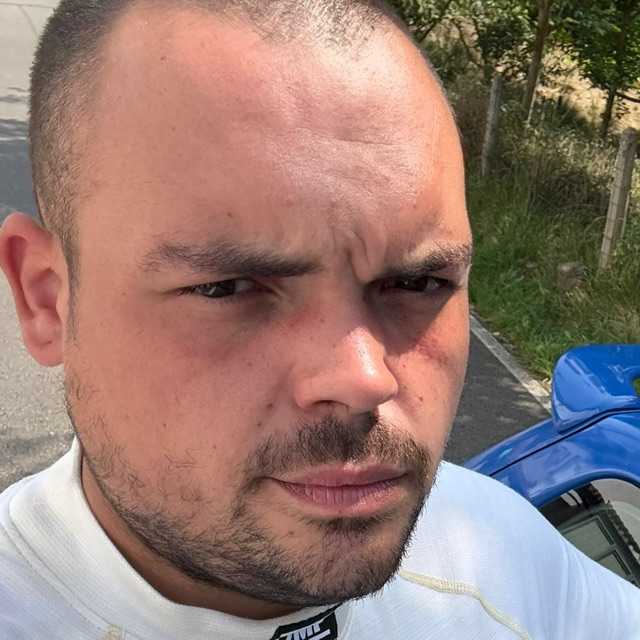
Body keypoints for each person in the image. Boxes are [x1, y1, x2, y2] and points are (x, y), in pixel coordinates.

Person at [0, 0, 638, 638]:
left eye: (418, 283)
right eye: (227, 288)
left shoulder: (503, 561)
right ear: (46, 298)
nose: (364, 379)